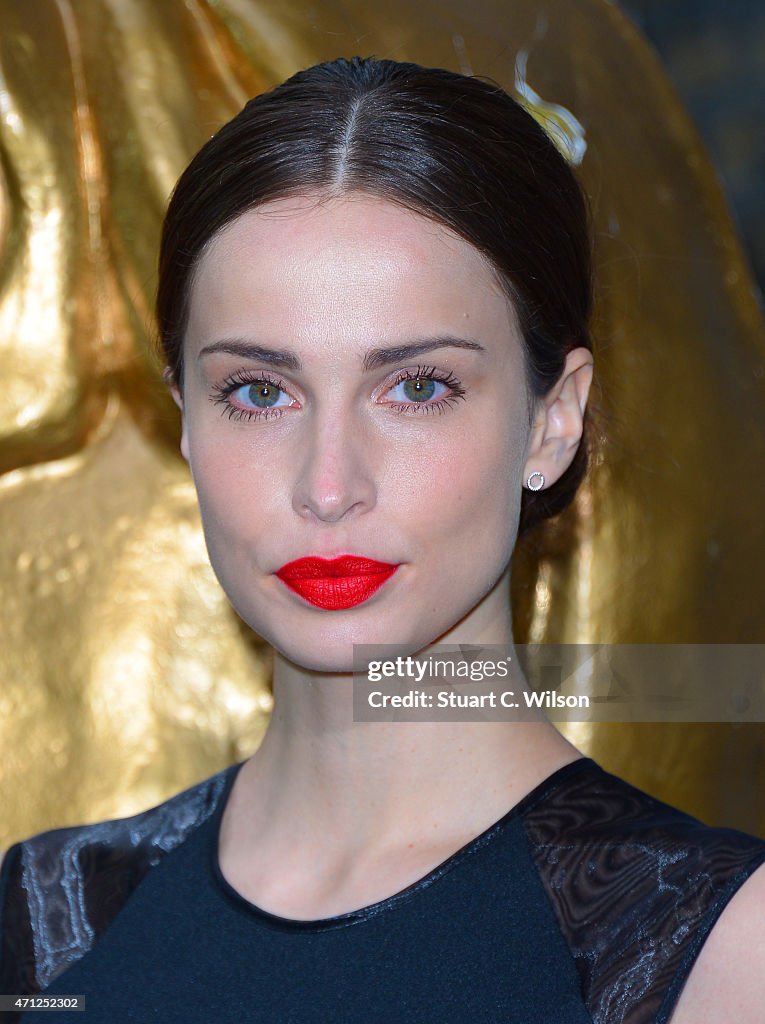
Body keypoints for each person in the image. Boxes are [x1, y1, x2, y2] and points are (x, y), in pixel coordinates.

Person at [1, 55, 763, 1023]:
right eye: (259, 391)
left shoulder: (715, 949)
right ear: (186, 419)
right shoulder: (48, 914)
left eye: (416, 387)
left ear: (552, 421)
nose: (328, 486)